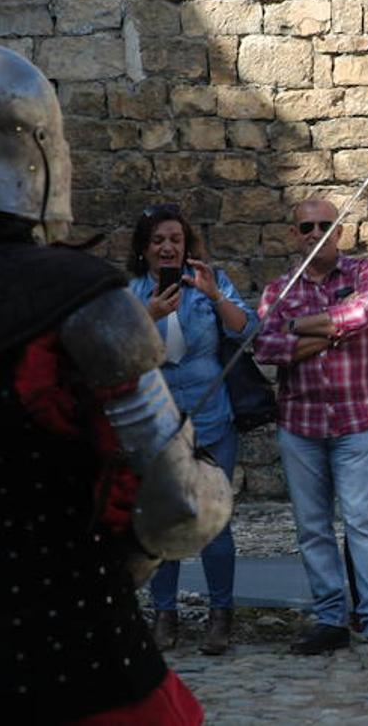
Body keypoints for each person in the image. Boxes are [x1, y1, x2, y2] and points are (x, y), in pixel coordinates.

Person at [0, 41, 230, 722]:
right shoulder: (80, 298)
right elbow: (179, 507)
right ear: (36, 155)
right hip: (70, 655)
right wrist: (213, 488)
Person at [252, 198, 368, 668]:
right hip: (301, 423)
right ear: (295, 235)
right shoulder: (279, 287)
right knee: (312, 529)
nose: (316, 233)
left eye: (325, 225)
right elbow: (265, 344)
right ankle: (331, 620)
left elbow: (363, 314)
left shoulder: (365, 274)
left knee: (365, 526)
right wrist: (321, 334)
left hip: (356, 420)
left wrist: (298, 327)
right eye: (306, 227)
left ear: (339, 231)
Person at [127, 202, 257, 655]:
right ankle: (166, 615)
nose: (167, 247)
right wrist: (148, 317)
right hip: (158, 420)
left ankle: (221, 615)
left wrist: (216, 296)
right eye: (158, 241)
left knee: (214, 521)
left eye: (175, 240)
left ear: (187, 246)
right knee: (163, 519)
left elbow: (247, 331)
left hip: (210, 417)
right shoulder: (130, 292)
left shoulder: (210, 282)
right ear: (145, 249)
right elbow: (115, 350)